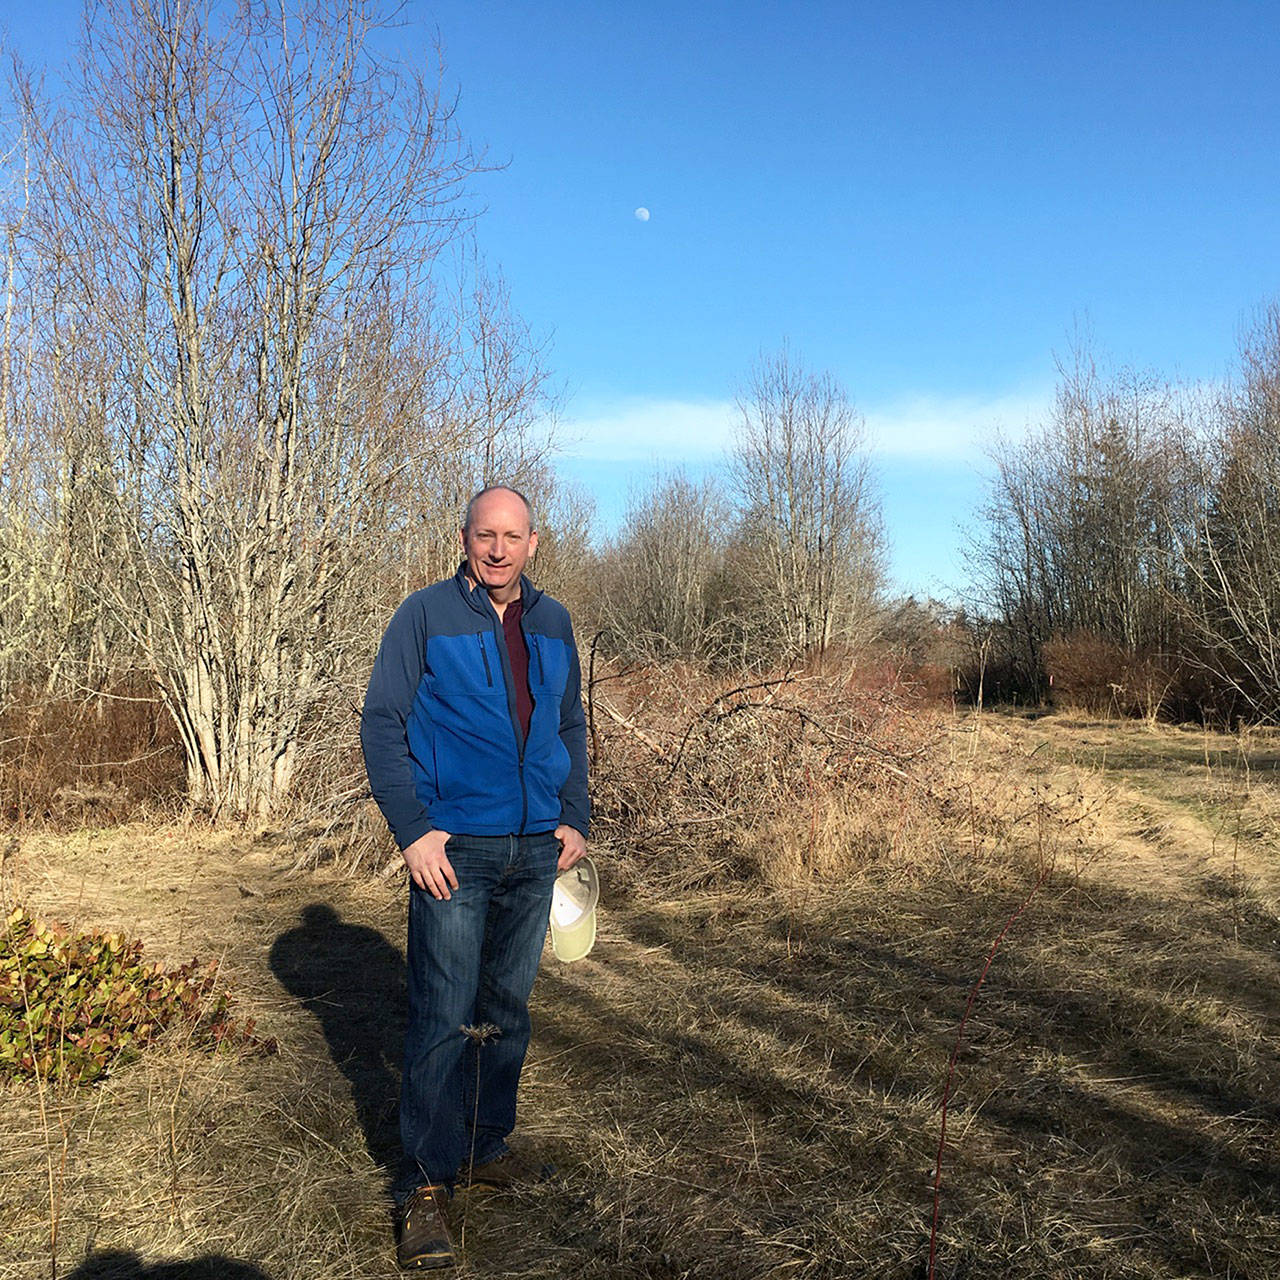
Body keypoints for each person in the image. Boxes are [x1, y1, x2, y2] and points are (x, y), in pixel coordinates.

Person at [360, 485, 589, 1271]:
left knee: (507, 1011)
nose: (498, 548)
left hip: (536, 850)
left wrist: (575, 814)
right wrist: (414, 832)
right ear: (464, 538)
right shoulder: (423, 616)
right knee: (442, 1015)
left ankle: (486, 1147)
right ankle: (423, 1185)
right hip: (455, 852)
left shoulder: (554, 622)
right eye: (485, 534)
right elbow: (382, 723)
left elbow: (568, 725)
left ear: (534, 542)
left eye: (512, 535)